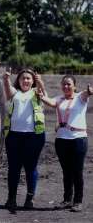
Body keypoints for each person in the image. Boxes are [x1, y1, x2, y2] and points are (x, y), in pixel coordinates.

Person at [37, 76, 92, 212]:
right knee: (66, 172)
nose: (66, 87)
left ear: (74, 86)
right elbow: (49, 101)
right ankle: (67, 199)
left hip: (78, 139)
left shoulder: (80, 97)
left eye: (69, 84)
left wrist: (90, 91)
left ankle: (78, 201)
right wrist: (41, 94)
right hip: (61, 140)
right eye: (64, 84)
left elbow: (87, 93)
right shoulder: (59, 99)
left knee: (77, 172)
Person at [2, 68, 46, 211]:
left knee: (30, 168)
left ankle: (29, 198)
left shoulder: (36, 92)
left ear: (32, 81)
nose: (25, 80)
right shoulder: (16, 93)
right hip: (14, 135)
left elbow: (42, 91)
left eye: (28, 78)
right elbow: (8, 92)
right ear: (18, 80)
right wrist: (6, 79)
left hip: (34, 136)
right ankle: (11, 198)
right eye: (23, 78)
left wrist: (40, 82)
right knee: (13, 168)